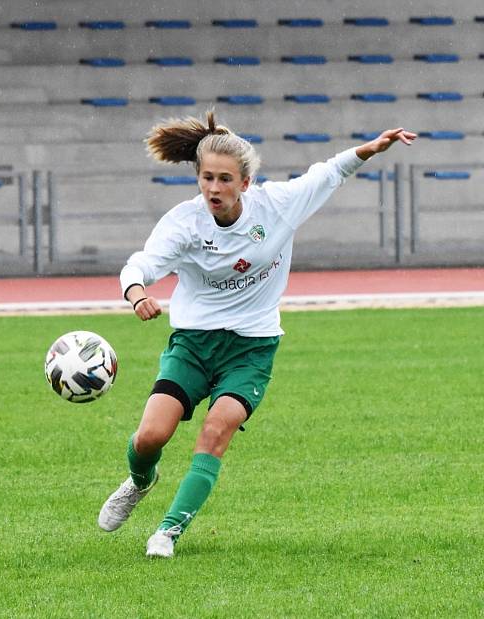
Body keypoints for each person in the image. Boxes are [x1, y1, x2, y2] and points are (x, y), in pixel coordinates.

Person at [98, 111, 416, 557]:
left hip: (251, 348)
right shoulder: (184, 223)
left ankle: (168, 531)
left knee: (215, 431)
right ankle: (139, 480)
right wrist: (136, 294)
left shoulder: (277, 205)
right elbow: (142, 264)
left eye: (224, 179)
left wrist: (371, 148)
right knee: (151, 436)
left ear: (244, 183)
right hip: (193, 345)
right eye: (206, 178)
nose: (213, 188)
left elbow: (328, 173)